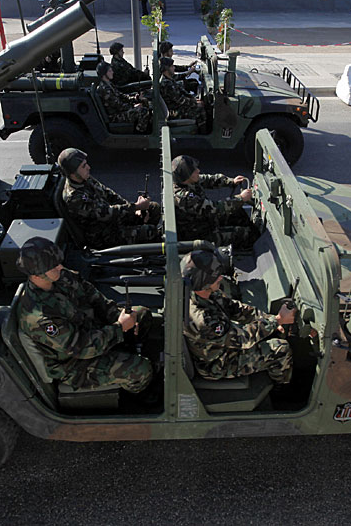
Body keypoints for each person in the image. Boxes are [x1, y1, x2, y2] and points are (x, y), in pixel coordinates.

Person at [16, 236, 153, 393]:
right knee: (141, 370)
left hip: (94, 333)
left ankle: (128, 349)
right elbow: (82, 348)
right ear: (36, 275)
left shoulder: (62, 277)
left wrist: (118, 315)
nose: (60, 267)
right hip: (75, 365)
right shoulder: (40, 317)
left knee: (141, 314)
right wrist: (119, 328)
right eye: (53, 266)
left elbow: (94, 297)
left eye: (58, 262)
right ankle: (137, 397)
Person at [181, 249, 294, 385]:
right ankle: (282, 388)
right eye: (215, 276)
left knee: (267, 331)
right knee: (280, 349)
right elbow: (242, 339)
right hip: (217, 364)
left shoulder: (203, 292)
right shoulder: (204, 321)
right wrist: (277, 320)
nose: (220, 277)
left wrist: (269, 318)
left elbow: (236, 309)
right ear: (203, 283)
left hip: (221, 343)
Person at [58, 148, 161, 249]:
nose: (88, 167)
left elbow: (109, 194)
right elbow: (105, 213)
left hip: (113, 220)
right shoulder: (74, 197)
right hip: (103, 235)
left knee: (153, 208)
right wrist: (136, 207)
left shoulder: (84, 178)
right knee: (150, 231)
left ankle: (146, 241)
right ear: (72, 174)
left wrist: (135, 210)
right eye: (83, 166)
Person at [171, 155, 258, 248]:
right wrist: (241, 198)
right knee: (245, 234)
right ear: (187, 176)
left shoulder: (188, 180)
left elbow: (209, 179)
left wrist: (231, 181)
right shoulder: (184, 197)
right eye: (194, 170)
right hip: (199, 234)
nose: (198, 171)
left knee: (238, 213)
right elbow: (215, 208)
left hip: (205, 220)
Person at [95, 61, 151, 134]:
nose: (112, 72)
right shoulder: (105, 89)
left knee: (144, 103)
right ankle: (140, 134)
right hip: (115, 117)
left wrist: (135, 98)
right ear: (104, 74)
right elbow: (118, 106)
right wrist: (133, 106)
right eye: (109, 71)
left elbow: (121, 96)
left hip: (120, 111)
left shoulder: (109, 84)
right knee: (143, 111)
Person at [158, 57, 206, 132]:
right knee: (200, 111)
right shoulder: (166, 84)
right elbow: (181, 101)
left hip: (176, 107)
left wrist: (194, 99)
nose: (174, 68)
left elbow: (181, 94)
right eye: (172, 66)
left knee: (199, 105)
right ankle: (204, 134)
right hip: (174, 111)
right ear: (166, 69)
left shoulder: (169, 79)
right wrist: (195, 103)